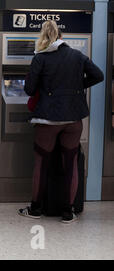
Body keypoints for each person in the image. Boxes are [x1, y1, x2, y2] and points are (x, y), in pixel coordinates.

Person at [19, 20, 103, 223]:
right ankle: (68, 212)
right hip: (73, 119)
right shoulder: (77, 55)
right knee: (71, 164)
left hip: (48, 119)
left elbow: (29, 89)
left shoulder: (41, 58)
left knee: (41, 163)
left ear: (44, 37)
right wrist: (77, 87)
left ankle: (36, 209)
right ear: (62, 38)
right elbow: (98, 75)